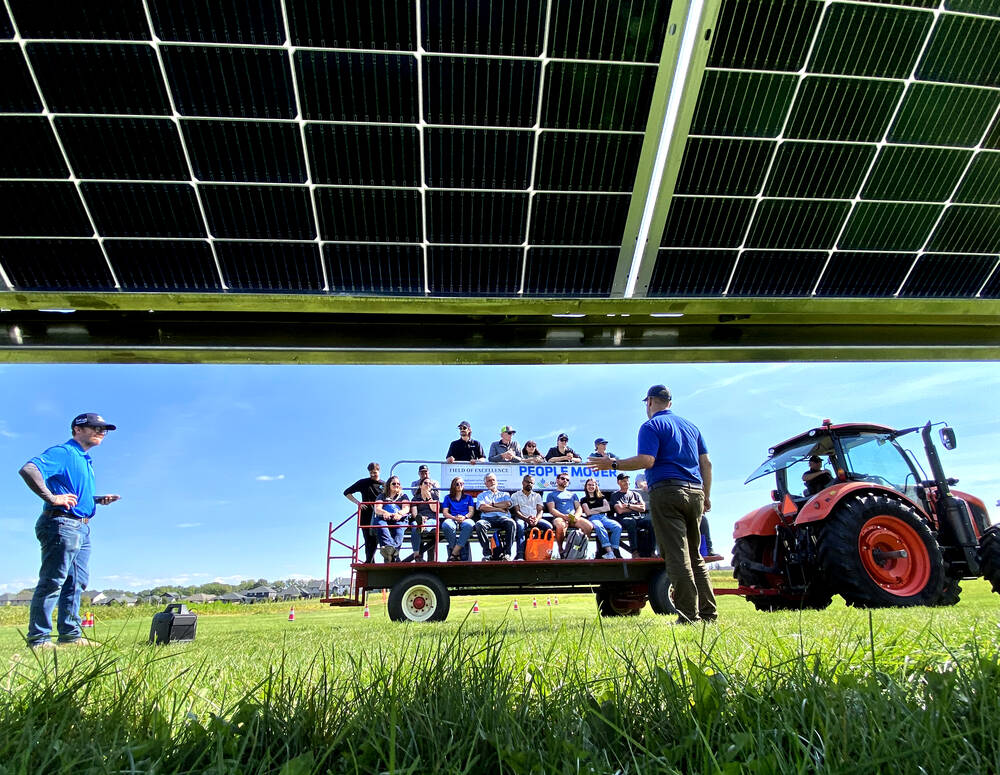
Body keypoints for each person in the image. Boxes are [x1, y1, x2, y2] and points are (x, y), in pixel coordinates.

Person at [590, 385, 716, 624]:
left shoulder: (651, 426)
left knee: (677, 556)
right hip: (696, 492)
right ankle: (709, 614)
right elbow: (706, 464)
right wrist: (706, 495)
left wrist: (612, 464)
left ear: (649, 402)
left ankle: (689, 616)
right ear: (670, 402)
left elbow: (647, 460)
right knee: (695, 556)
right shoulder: (692, 427)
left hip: (667, 491)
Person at [20, 413, 121, 649]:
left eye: (104, 429)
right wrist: (52, 497)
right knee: (53, 581)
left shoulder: (84, 459)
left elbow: (73, 492)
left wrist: (95, 500)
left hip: (81, 526)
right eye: (95, 427)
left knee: (76, 583)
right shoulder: (64, 452)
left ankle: (71, 635)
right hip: (62, 524)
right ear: (77, 429)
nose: (101, 432)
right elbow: (29, 469)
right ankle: (39, 639)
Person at [343, 462, 384, 564]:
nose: (373, 475)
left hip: (379, 516)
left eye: (374, 472)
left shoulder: (385, 485)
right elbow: (347, 492)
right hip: (366, 515)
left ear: (379, 471)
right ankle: (370, 562)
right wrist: (358, 503)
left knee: (376, 539)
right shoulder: (363, 482)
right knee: (368, 540)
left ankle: (373, 561)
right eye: (371, 473)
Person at [373, 476, 419, 563]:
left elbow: (406, 508)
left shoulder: (403, 496)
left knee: (399, 530)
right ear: (389, 485)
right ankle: (394, 553)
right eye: (394, 483)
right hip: (385, 518)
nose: (396, 485)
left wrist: (399, 514)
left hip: (399, 519)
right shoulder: (382, 496)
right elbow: (377, 508)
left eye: (398, 484)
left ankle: (389, 554)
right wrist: (384, 513)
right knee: (381, 526)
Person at [545, 473, 592, 554]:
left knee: (588, 526)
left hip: (573, 517)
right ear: (557, 480)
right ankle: (561, 550)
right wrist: (563, 516)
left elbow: (578, 507)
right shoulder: (551, 495)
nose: (565, 481)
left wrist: (576, 516)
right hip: (559, 517)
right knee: (560, 526)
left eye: (567, 480)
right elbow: (552, 509)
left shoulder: (573, 495)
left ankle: (577, 549)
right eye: (562, 479)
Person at [607, 473, 653, 557]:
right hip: (623, 518)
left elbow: (643, 508)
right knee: (631, 522)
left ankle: (652, 551)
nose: (626, 482)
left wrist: (628, 506)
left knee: (651, 523)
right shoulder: (615, 495)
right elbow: (620, 510)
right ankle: (634, 551)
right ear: (618, 482)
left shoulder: (636, 494)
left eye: (627, 481)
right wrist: (636, 507)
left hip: (638, 517)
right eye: (624, 481)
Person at [510, 473, 553, 560]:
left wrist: (536, 519)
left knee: (549, 527)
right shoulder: (515, 495)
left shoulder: (537, 496)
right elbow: (516, 511)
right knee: (520, 526)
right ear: (523, 482)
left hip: (535, 519)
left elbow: (540, 510)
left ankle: (540, 551)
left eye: (531, 483)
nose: (529, 484)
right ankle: (520, 555)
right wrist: (526, 519)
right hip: (522, 518)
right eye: (527, 482)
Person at [475, 473, 516, 561]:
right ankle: (487, 554)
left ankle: (507, 553)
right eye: (489, 481)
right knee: (479, 524)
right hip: (487, 519)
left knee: (511, 523)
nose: (492, 482)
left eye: (493, 480)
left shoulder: (505, 494)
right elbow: (482, 507)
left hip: (503, 519)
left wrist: (492, 505)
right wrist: (499, 509)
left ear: (496, 482)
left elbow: (508, 504)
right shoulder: (481, 495)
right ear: (485, 484)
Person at [580, 477, 620, 559]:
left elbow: (607, 508)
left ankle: (614, 550)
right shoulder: (584, 499)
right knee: (599, 527)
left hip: (604, 517)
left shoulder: (601, 497)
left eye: (593, 485)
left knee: (617, 526)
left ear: (596, 486)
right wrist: (600, 509)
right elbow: (588, 512)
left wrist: (594, 509)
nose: (591, 487)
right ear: (586, 486)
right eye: (589, 485)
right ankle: (609, 551)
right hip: (592, 518)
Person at [441, 476, 476, 561]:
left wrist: (465, 517)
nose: (460, 485)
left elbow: (471, 511)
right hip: (453, 518)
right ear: (453, 485)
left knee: (469, 524)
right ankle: (457, 552)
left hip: (465, 518)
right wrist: (454, 518)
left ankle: (454, 553)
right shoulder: (448, 497)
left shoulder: (468, 497)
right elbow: (445, 513)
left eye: (462, 483)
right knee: (446, 524)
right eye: (457, 484)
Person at [410, 477, 440, 562]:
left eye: (430, 483)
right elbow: (414, 513)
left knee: (431, 524)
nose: (428, 485)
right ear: (420, 486)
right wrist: (420, 518)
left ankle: (423, 527)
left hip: (432, 519)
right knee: (414, 525)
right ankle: (417, 555)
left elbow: (435, 510)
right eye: (426, 483)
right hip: (419, 518)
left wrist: (429, 497)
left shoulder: (435, 497)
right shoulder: (416, 498)